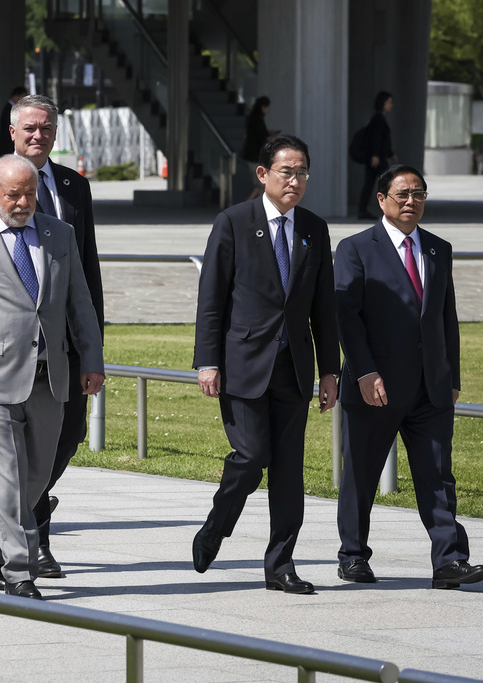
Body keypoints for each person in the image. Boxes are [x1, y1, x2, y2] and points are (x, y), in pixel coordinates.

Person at [0, 155, 105, 599]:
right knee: (8, 476)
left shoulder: (59, 235)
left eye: (29, 193)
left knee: (37, 476)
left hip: (51, 374)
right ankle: (19, 568)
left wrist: (92, 360)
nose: (24, 201)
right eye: (14, 194)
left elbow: (79, 303)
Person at [192, 134, 340, 594]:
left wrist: (330, 370)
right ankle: (218, 524)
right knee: (252, 456)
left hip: (294, 366)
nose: (295, 181)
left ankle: (281, 565)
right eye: (286, 172)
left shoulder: (314, 228)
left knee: (289, 470)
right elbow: (212, 297)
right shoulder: (234, 222)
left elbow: (323, 306)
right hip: (243, 364)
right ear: (263, 174)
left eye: (302, 173)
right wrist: (207, 361)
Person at [335, 165, 483, 589]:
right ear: (381, 199)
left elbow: (446, 319)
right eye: (402, 193)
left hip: (430, 389)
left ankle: (449, 562)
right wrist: (364, 371)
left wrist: (451, 375)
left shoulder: (439, 248)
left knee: (437, 475)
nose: (411, 201)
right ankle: (352, 556)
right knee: (361, 475)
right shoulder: (355, 248)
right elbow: (346, 318)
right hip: (374, 388)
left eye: (418, 193)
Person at [357, 91, 396, 220]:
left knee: (371, 183)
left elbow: (382, 140)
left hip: (377, 157)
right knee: (387, 183)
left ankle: (363, 210)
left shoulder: (379, 118)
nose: (391, 105)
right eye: (388, 102)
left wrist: (390, 153)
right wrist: (375, 155)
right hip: (376, 159)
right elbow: (376, 138)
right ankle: (389, 209)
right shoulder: (378, 119)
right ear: (382, 103)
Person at [241, 96, 279, 202]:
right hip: (256, 156)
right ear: (263, 107)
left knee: (261, 185)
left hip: (251, 155)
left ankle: (255, 208)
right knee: (261, 185)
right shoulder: (258, 120)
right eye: (267, 107)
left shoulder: (253, 118)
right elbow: (262, 138)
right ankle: (247, 206)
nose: (268, 110)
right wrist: (270, 136)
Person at [0, 86, 28, 158]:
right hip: (7, 147)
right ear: (19, 96)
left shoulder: (9, 108)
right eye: (23, 97)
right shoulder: (9, 109)